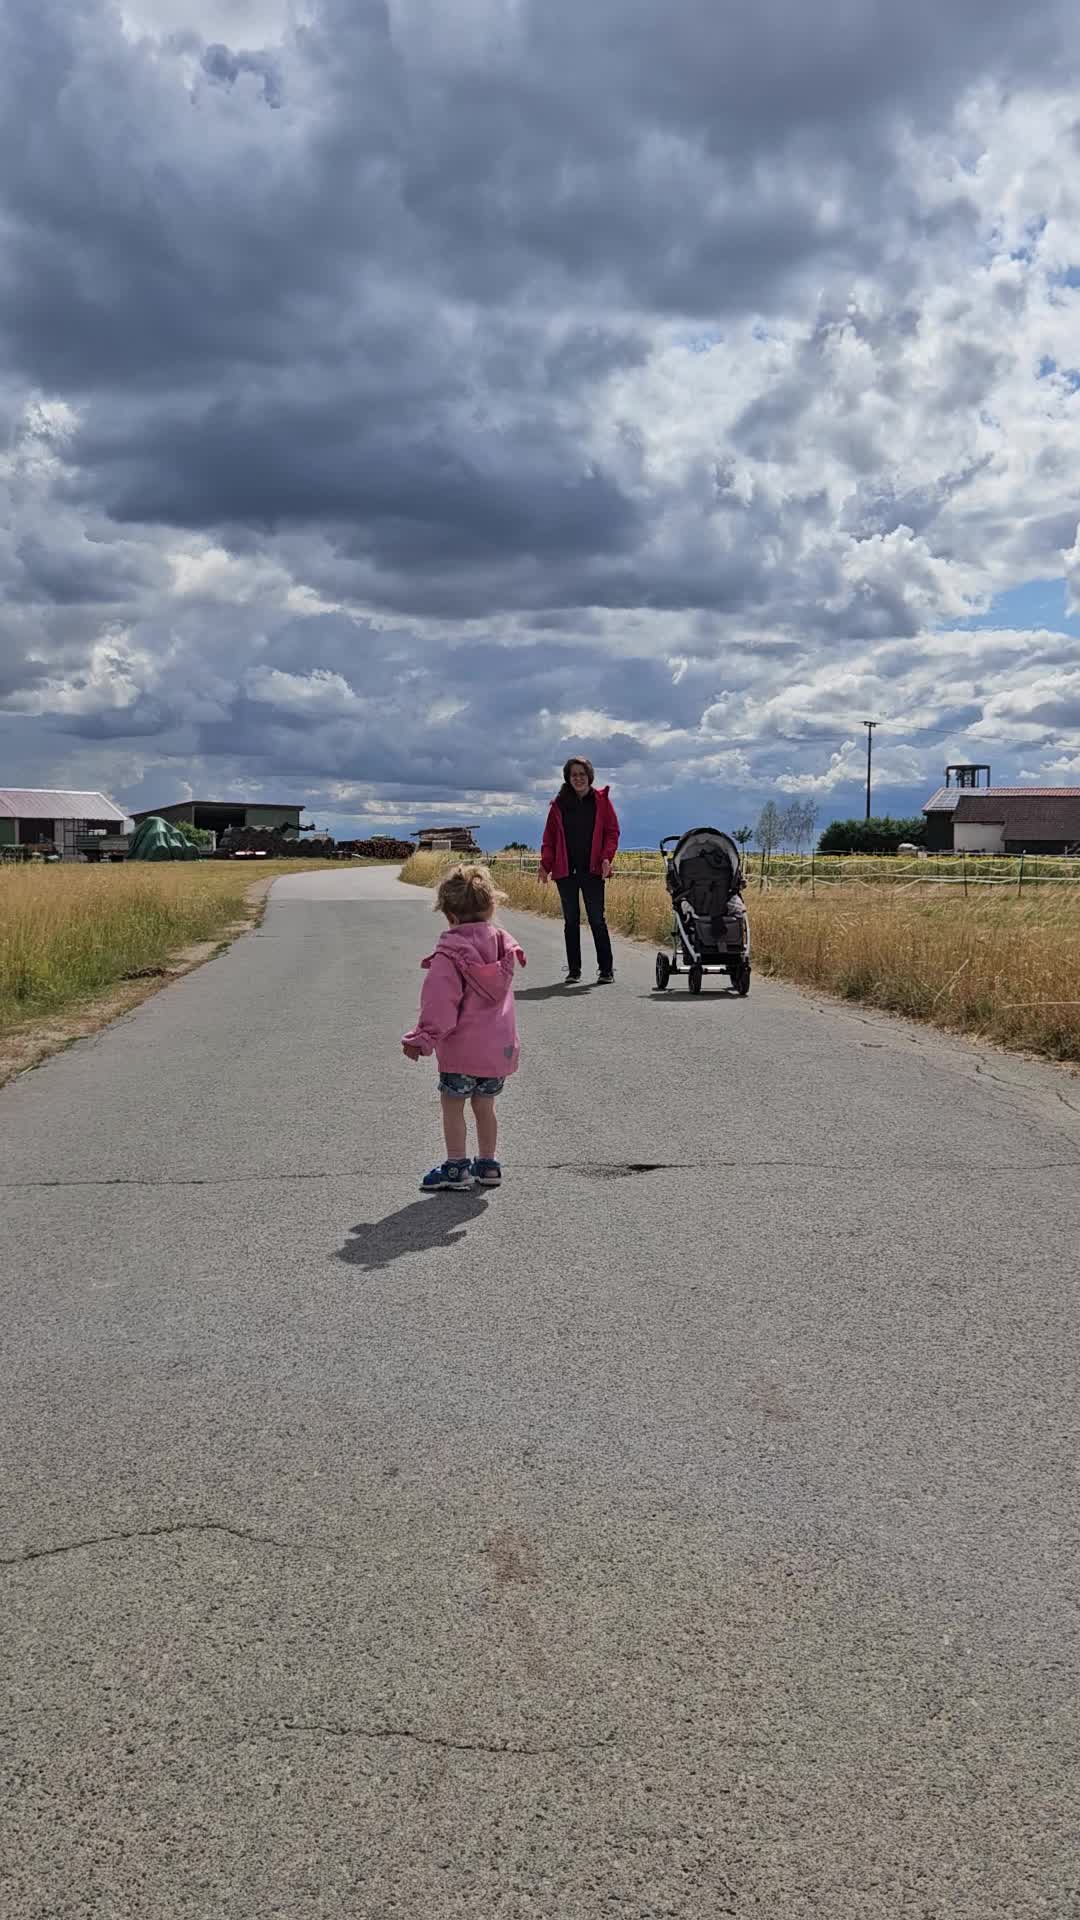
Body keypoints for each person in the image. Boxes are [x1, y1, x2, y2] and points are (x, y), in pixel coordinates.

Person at [402, 864, 526, 1192]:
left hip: (461, 1051)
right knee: (485, 1106)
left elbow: (440, 1003)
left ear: (449, 915)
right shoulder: (503, 948)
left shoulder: (450, 954)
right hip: (497, 1050)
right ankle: (488, 1164)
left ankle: (456, 1167)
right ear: (491, 907)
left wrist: (423, 1037)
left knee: (453, 1105)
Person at [539, 757, 620, 983]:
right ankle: (574, 971)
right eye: (574, 775)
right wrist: (545, 864)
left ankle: (606, 970)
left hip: (593, 870)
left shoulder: (601, 802)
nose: (578, 778)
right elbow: (549, 839)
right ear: (568, 778)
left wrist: (607, 857)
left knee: (597, 920)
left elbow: (612, 832)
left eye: (582, 774)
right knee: (571, 922)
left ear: (589, 776)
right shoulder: (559, 805)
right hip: (566, 872)